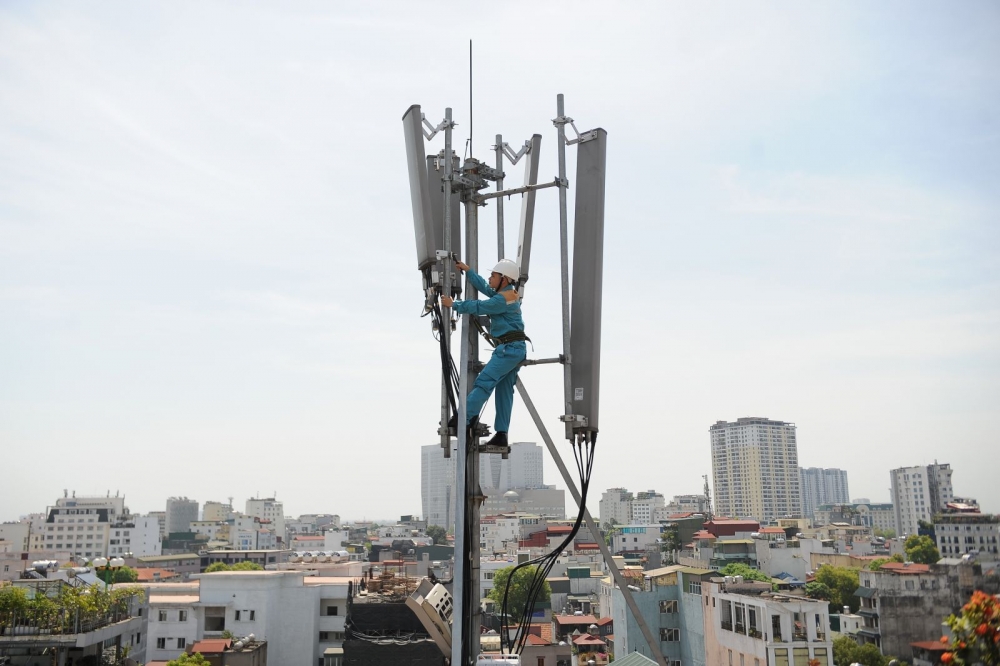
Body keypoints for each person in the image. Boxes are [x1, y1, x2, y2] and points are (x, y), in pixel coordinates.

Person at [441, 258, 527, 448]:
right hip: (515, 349)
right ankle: (501, 434)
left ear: (503, 279)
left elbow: (480, 306)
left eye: (493, 275)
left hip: (508, 349)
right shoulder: (508, 294)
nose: (490, 278)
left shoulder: (501, 300)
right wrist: (469, 271)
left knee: (484, 382)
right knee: (504, 391)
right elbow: (488, 290)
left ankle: (463, 418)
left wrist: (453, 305)